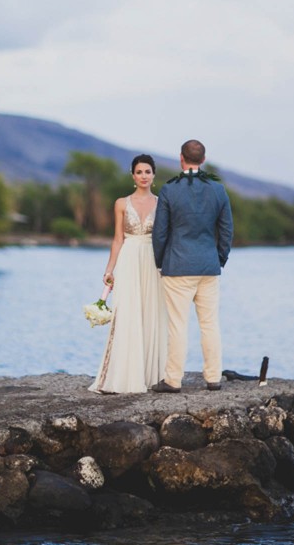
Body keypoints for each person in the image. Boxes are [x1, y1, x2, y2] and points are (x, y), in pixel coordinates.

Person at [151, 139, 233, 393]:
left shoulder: (169, 189)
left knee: (178, 325)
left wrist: (160, 262)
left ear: (181, 159)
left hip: (177, 265)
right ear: (203, 160)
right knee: (210, 323)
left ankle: (173, 380)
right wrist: (219, 258)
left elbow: (160, 232)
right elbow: (226, 229)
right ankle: (213, 378)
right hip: (208, 266)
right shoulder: (218, 190)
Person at [89, 154, 168, 394]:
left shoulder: (162, 203)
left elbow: (167, 237)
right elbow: (117, 239)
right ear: (132, 176)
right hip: (129, 259)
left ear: (153, 175)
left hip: (154, 261)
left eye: (148, 171)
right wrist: (109, 269)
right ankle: (123, 376)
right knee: (128, 314)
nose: (144, 176)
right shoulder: (121, 203)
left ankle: (151, 375)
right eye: (139, 172)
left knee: (152, 314)